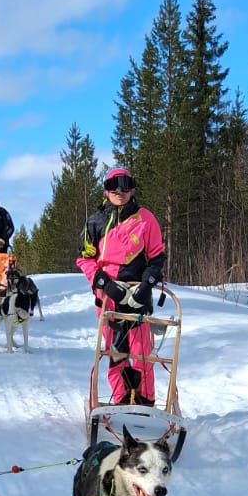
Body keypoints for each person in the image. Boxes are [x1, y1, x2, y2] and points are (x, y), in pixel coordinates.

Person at [76, 167, 165, 405]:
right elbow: (85, 258)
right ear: (106, 190)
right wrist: (102, 281)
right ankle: (120, 399)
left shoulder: (146, 219)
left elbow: (157, 257)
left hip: (138, 292)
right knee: (116, 351)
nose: (120, 191)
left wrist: (148, 283)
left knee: (141, 351)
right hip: (108, 295)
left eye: (126, 185)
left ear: (133, 189)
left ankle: (145, 401)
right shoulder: (95, 221)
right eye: (114, 186)